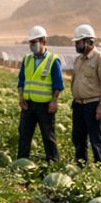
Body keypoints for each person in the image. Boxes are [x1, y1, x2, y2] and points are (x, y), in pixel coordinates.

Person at [16, 25, 62, 162]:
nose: (32, 46)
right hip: (28, 104)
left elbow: (58, 84)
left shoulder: (53, 60)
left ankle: (53, 162)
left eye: (34, 42)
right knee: (24, 134)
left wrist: (54, 101)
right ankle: (21, 162)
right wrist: (20, 97)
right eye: (30, 43)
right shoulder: (27, 59)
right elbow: (21, 80)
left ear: (43, 42)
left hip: (45, 106)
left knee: (48, 136)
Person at [69, 23, 101, 165]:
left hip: (93, 105)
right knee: (78, 137)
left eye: (78, 42)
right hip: (78, 105)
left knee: (96, 140)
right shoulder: (78, 60)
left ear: (88, 41)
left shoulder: (100, 58)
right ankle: (81, 165)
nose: (76, 45)